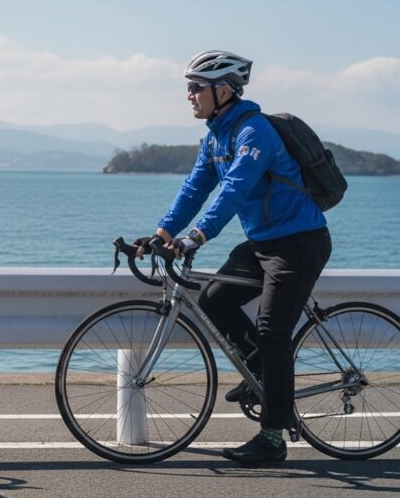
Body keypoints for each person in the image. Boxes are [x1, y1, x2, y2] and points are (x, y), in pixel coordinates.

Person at [136, 50, 331, 465]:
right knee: (213, 299)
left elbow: (235, 189)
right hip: (262, 242)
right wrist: (162, 232)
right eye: (187, 87)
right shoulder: (214, 135)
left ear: (223, 90)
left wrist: (197, 236)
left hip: (299, 241)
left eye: (196, 87)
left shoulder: (253, 131)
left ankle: (274, 439)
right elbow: (195, 187)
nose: (189, 95)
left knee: (272, 331)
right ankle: (264, 375)